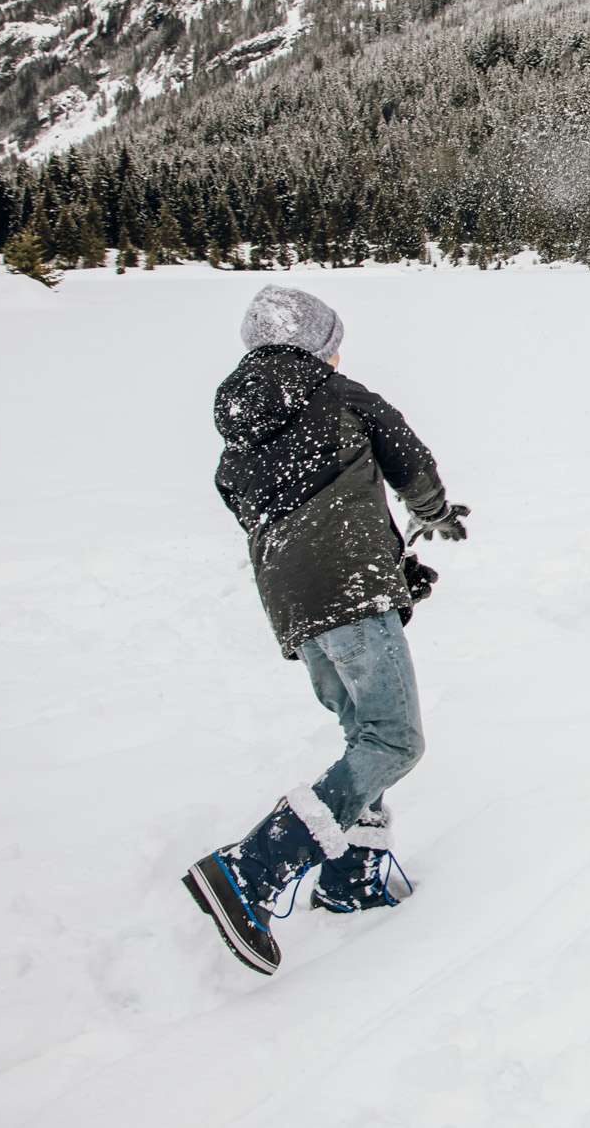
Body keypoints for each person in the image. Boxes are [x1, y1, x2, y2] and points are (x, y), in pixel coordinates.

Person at [183, 285, 469, 976]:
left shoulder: (240, 438)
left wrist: (387, 572)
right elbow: (409, 459)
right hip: (348, 592)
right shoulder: (343, 395)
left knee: (361, 735)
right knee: (394, 739)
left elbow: (292, 519)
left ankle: (352, 873)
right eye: (333, 342)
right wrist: (433, 512)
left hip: (293, 608)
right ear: (315, 348)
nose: (340, 353)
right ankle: (253, 865)